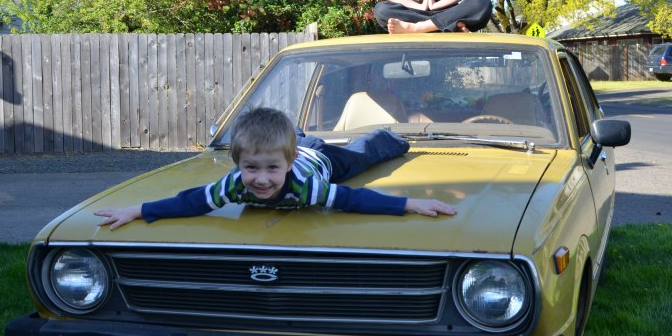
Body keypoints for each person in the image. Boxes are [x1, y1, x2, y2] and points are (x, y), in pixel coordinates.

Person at [95, 107, 456, 230]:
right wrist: (137, 210)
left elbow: (354, 199)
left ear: (287, 163)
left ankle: (389, 136)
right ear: (237, 164)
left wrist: (409, 203)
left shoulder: (306, 188)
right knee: (285, 139)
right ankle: (294, 132)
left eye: (271, 168)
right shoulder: (234, 184)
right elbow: (190, 202)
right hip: (295, 149)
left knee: (360, 156)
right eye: (251, 168)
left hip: (322, 160)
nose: (261, 179)